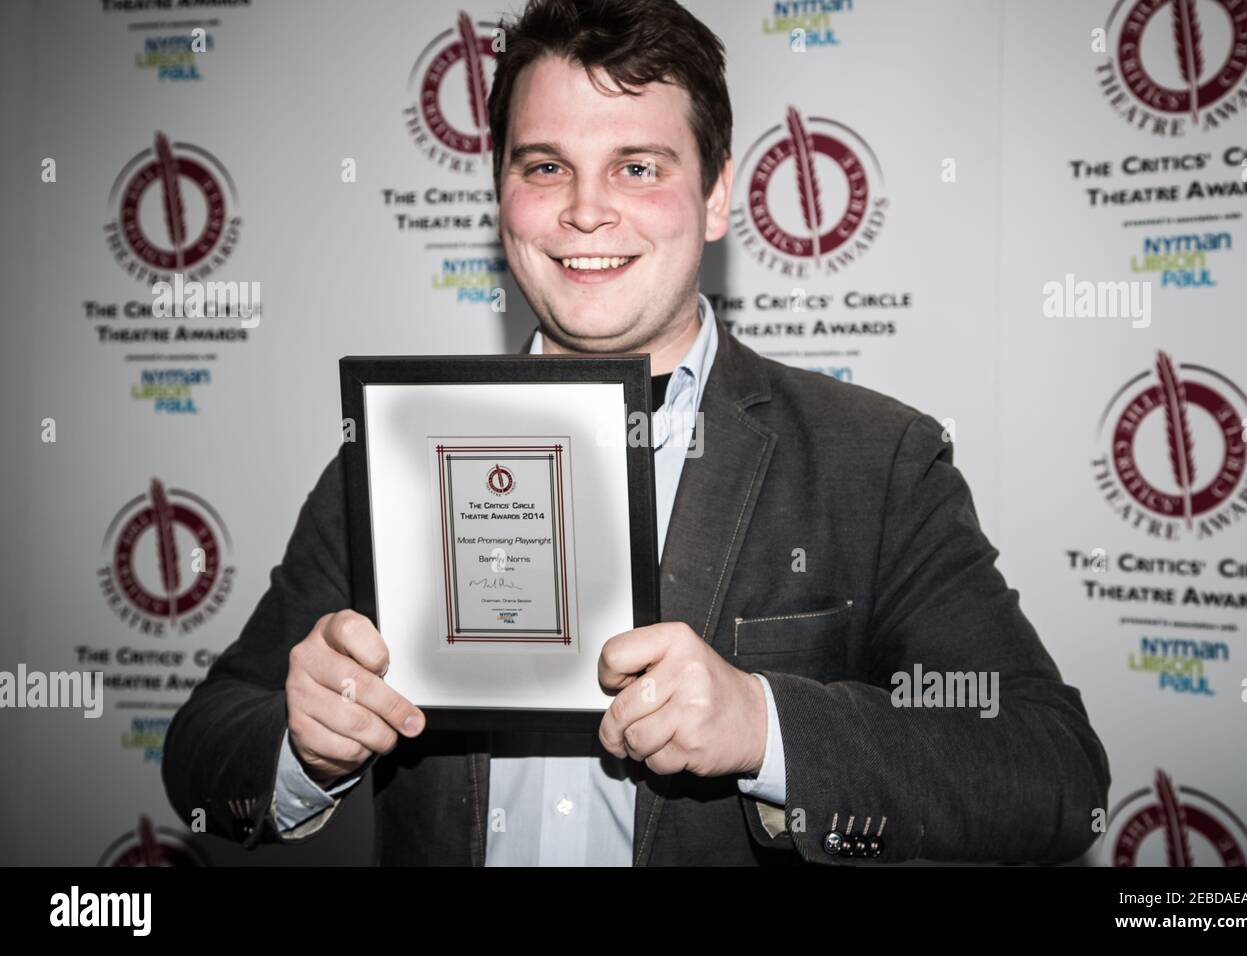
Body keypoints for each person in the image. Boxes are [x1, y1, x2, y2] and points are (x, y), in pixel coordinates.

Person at [163, 0, 1109, 866]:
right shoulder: (400, 450)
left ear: (716, 196)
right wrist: (302, 743)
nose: (585, 210)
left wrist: (768, 726)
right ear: (500, 196)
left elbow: (1051, 773)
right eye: (545, 167)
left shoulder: (877, 460)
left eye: (638, 167)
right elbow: (204, 749)